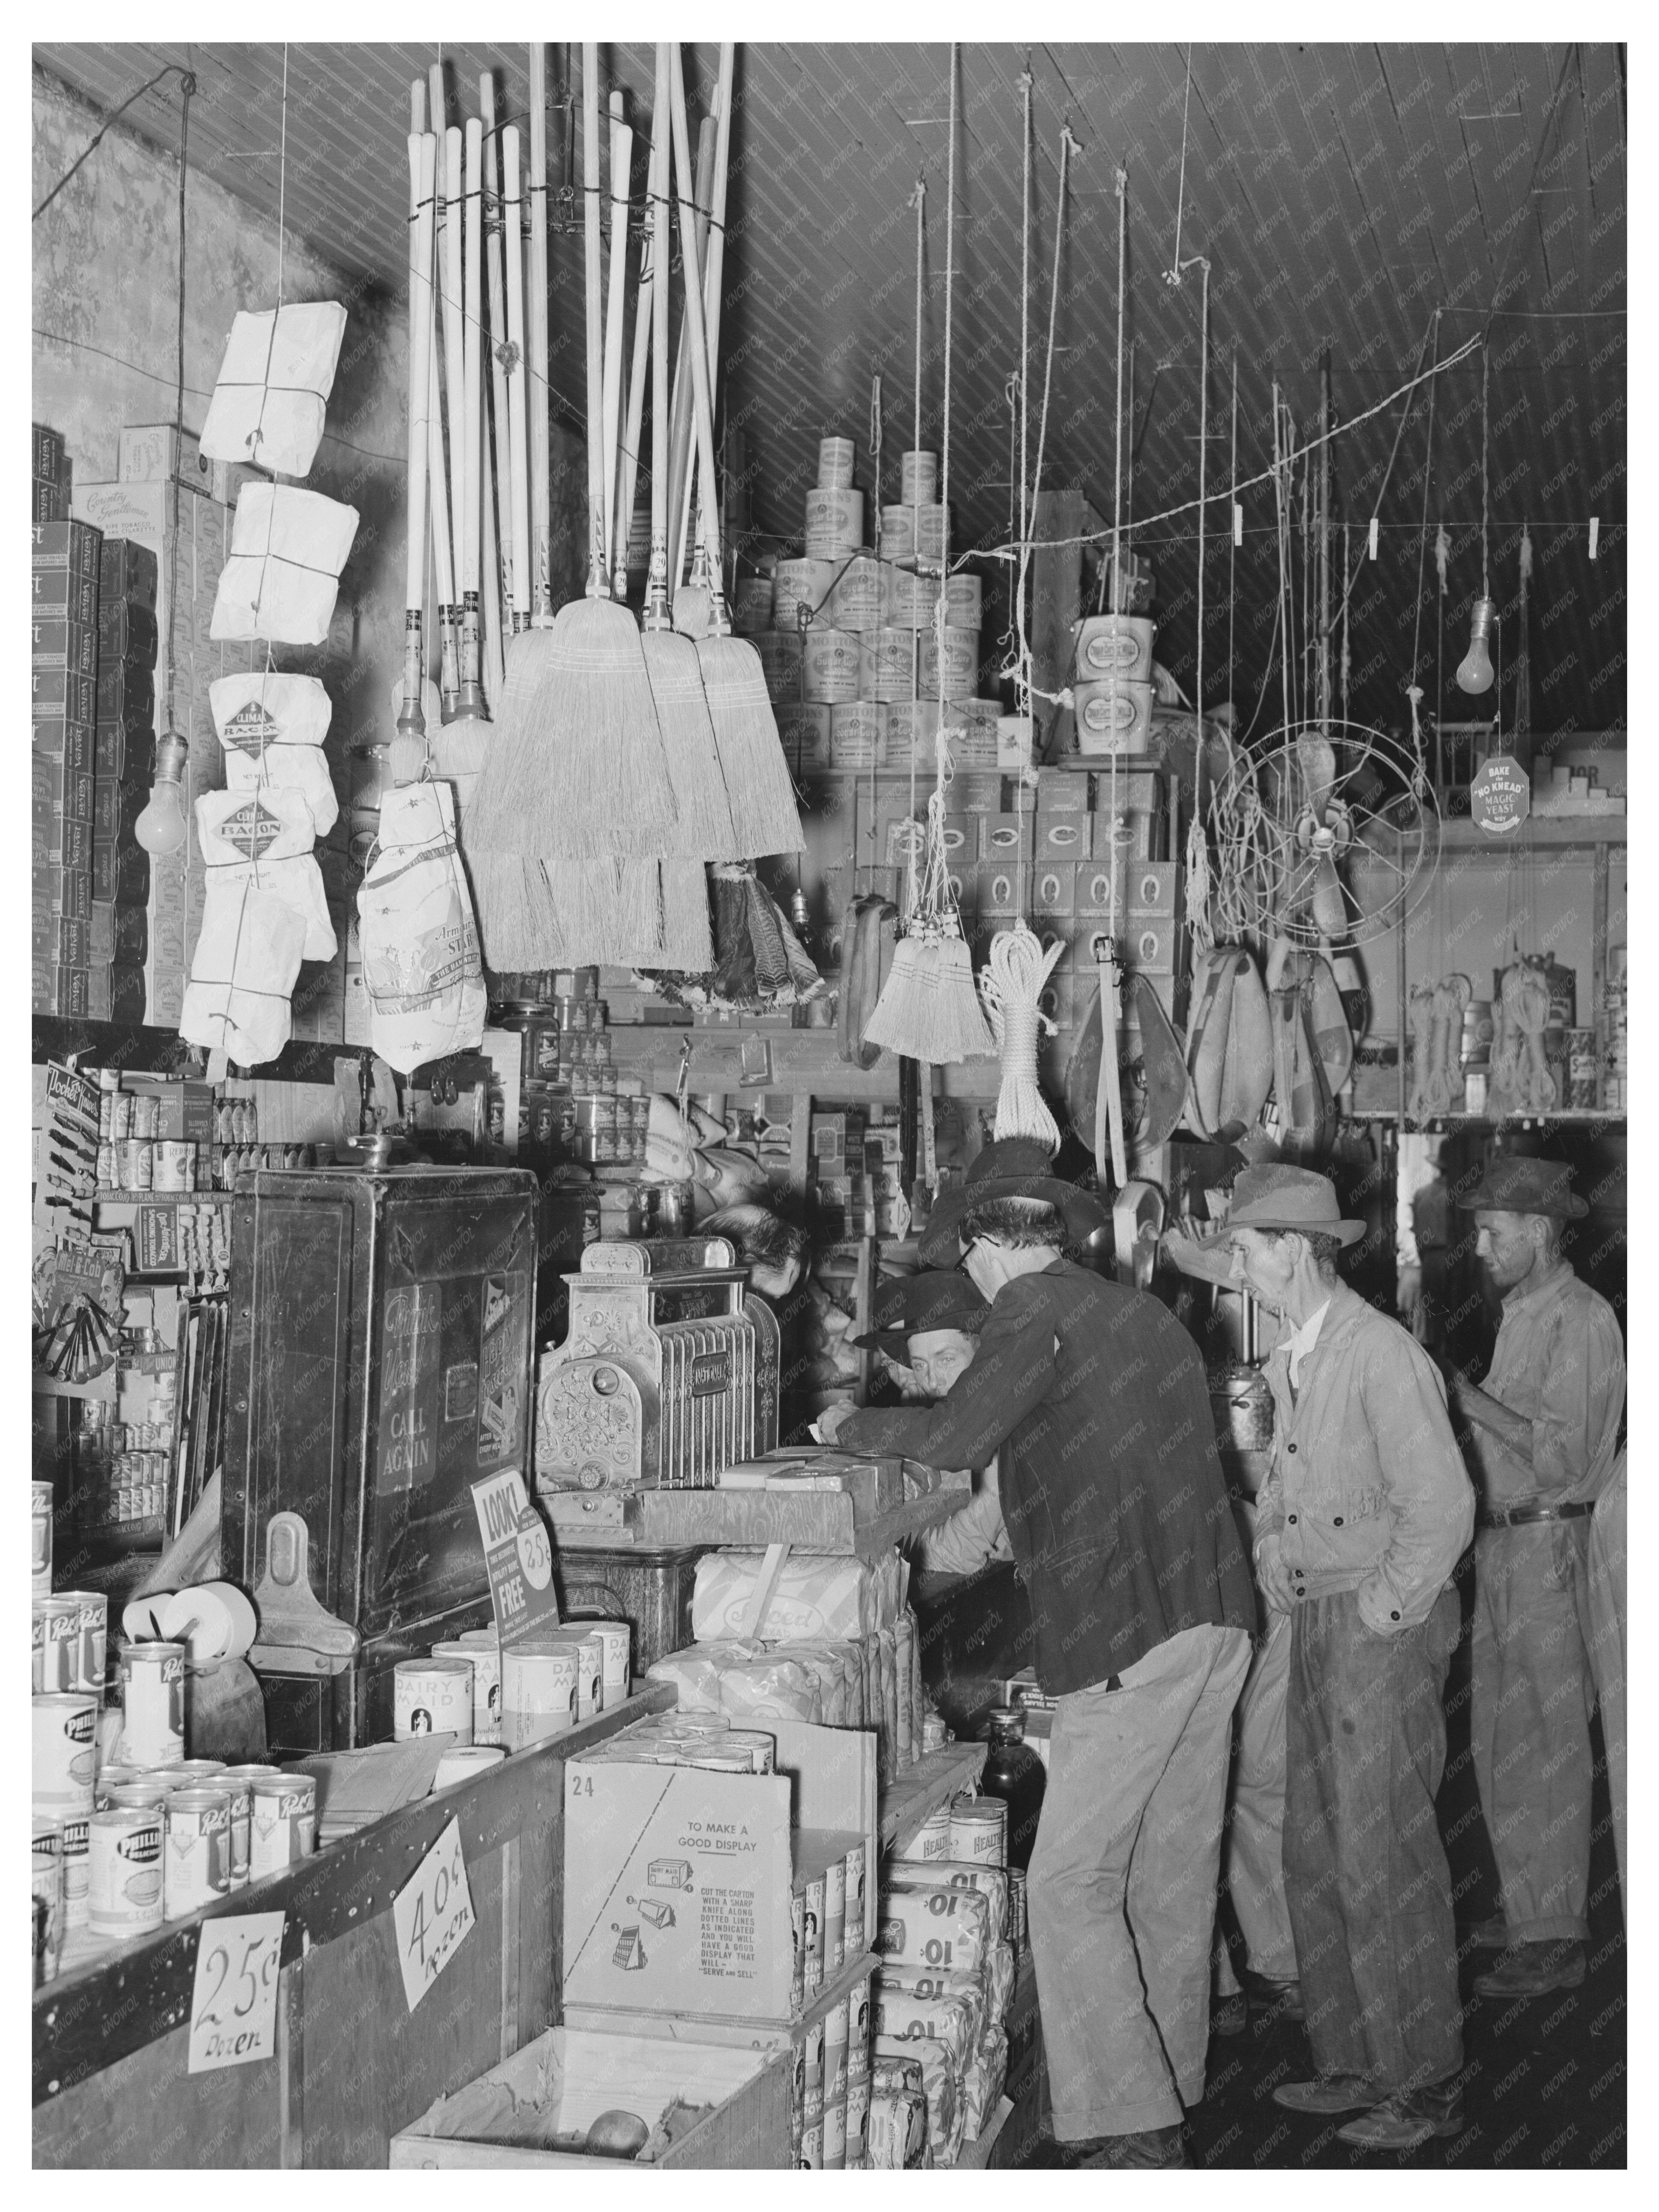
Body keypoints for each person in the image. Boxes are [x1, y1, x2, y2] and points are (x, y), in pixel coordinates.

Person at [820, 1138, 1255, 2169]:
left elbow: (954, 1438)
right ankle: (1174, 2078)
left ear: (984, 1250)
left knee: (1067, 1881)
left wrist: (847, 1423)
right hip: (1214, 1617)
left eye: (963, 1256)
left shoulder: (1032, 1310)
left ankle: (1125, 2121)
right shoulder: (1136, 1309)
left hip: (1127, 1630)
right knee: (1170, 1868)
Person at [1227, 1164, 1474, 2153]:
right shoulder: (1306, 1356)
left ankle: (1423, 2080)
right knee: (1318, 1848)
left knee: (1383, 1855)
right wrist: (1277, 1557)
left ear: (1292, 1247)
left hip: (1377, 1623)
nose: (1238, 1270)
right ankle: (1353, 2056)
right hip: (1323, 1616)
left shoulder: (1378, 1354)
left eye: (1245, 1250)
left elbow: (1441, 1506)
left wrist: (1381, 1607)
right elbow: (1298, 1488)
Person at [1443, 1158, 1626, 1997]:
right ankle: (1527, 1905)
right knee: (1501, 1738)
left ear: (1540, 1233)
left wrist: (1464, 1399)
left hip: (1550, 1548)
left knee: (1547, 1743)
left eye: (1492, 1231)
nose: (1479, 1247)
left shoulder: (1581, 1321)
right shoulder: (1522, 1313)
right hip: (1505, 1545)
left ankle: (1553, 1932)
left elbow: (1557, 1455)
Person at [848, 1272, 1009, 1575]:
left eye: (946, 1359)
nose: (932, 1380)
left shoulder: (1002, 1420)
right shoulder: (952, 1417)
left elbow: (961, 1551)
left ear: (982, 1349)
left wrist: (878, 1555)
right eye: (919, 1364)